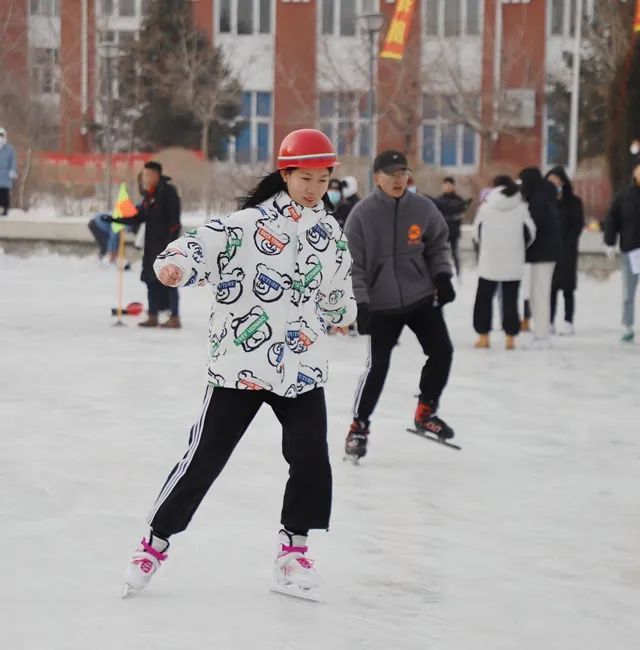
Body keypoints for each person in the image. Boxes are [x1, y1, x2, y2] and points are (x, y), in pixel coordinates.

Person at [123, 129, 356, 599]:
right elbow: (199, 246)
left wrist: (342, 313)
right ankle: (155, 542)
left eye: (323, 179)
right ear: (285, 174)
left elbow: (337, 289)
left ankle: (293, 551)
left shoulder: (329, 232)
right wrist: (174, 266)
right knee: (204, 459)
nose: (313, 188)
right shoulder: (248, 225)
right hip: (241, 366)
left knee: (311, 459)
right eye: (304, 178)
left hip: (302, 367)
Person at [343, 150, 456, 461]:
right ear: (376, 177)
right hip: (382, 304)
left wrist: (442, 276)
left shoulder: (423, 208)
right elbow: (353, 265)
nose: (398, 180)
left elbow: (438, 244)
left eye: (402, 173)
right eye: (390, 174)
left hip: (420, 296)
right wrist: (361, 304)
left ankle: (425, 412)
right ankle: (358, 428)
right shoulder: (362, 216)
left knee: (442, 350)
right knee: (378, 366)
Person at [105, 161, 182, 328]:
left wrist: (171, 245)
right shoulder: (149, 195)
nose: (145, 178)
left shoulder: (168, 192)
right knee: (150, 279)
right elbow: (138, 216)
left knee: (169, 280)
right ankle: (152, 314)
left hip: (166, 245)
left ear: (157, 175)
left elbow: (175, 222)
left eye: (148, 175)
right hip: (151, 245)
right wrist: (115, 219)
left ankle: (175, 316)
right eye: (144, 175)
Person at [472, 176, 536, 350]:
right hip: (513, 260)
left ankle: (484, 337)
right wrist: (518, 247)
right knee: (510, 299)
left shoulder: (486, 207)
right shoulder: (522, 208)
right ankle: (510, 339)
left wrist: (486, 247)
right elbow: (530, 233)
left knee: (484, 299)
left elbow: (476, 232)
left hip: (489, 260)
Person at [518, 167, 561, 348]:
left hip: (541, 253)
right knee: (538, 294)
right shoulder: (545, 196)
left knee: (539, 295)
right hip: (547, 253)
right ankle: (540, 333)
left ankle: (542, 335)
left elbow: (534, 228)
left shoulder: (537, 201)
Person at [545, 167, 585, 336]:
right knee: (550, 288)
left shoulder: (574, 202)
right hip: (549, 250)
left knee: (567, 288)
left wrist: (567, 243)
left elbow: (577, 225)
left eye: (557, 180)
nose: (554, 184)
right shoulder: (546, 202)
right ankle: (549, 321)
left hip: (568, 249)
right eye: (550, 181)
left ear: (563, 182)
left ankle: (568, 321)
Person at [604, 158, 640, 343]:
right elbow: (612, 218)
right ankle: (628, 324)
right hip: (631, 249)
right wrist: (610, 242)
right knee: (629, 292)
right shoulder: (624, 194)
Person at [432, 177, 471, 278]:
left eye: (450, 185)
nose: (448, 187)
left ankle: (459, 275)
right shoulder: (438, 199)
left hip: (454, 232)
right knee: (441, 255)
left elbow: (462, 212)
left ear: (453, 186)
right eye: (446, 185)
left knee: (455, 254)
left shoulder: (459, 200)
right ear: (443, 186)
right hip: (442, 233)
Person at [0, 127, 18, 216]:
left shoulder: (9, 149)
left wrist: (13, 170)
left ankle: (5, 209)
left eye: (1, 136)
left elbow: (13, 161)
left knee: (4, 194)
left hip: (5, 177)